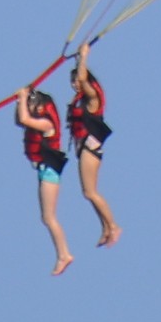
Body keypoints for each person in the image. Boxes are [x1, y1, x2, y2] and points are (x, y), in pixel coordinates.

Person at [67, 39, 121, 248]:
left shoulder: (92, 98)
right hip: (85, 148)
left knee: (90, 192)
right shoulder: (81, 100)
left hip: (91, 148)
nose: (74, 85)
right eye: (71, 82)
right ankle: (106, 227)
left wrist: (84, 56)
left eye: (75, 82)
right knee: (88, 193)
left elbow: (82, 78)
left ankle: (114, 226)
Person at [15, 87, 73, 276]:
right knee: (46, 218)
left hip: (49, 171)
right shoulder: (35, 119)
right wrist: (20, 102)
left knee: (49, 217)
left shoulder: (47, 123)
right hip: (43, 170)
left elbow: (24, 119)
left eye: (32, 105)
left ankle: (64, 255)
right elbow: (20, 121)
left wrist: (23, 97)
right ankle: (63, 254)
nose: (29, 108)